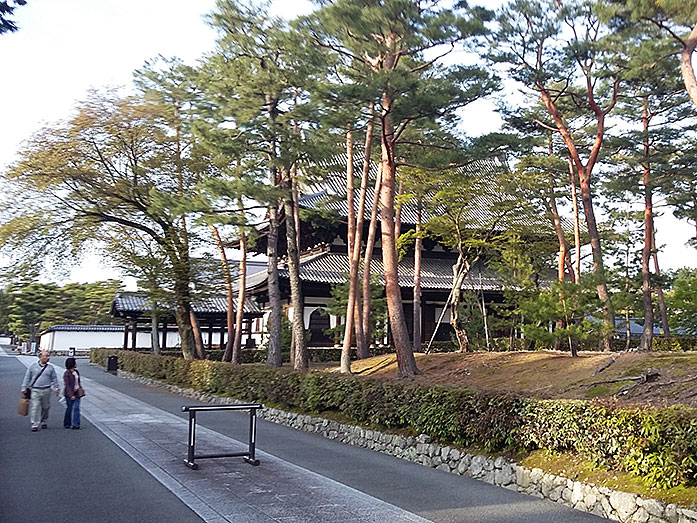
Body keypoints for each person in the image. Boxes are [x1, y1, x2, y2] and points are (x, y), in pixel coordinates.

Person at [20, 350, 60, 432]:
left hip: (46, 389)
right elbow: (27, 377)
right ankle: (34, 423)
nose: (48, 358)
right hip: (35, 389)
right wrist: (24, 387)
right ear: (40, 357)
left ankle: (44, 421)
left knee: (46, 407)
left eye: (49, 356)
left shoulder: (50, 368)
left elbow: (54, 378)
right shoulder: (32, 367)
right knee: (35, 407)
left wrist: (56, 388)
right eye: (46, 356)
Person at [63, 357, 83, 430]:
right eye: (75, 362)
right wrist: (71, 395)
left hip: (77, 392)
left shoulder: (76, 372)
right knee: (69, 408)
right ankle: (67, 423)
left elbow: (78, 382)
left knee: (77, 408)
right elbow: (67, 385)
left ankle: (76, 424)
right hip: (69, 393)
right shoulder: (67, 373)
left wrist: (80, 389)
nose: (76, 364)